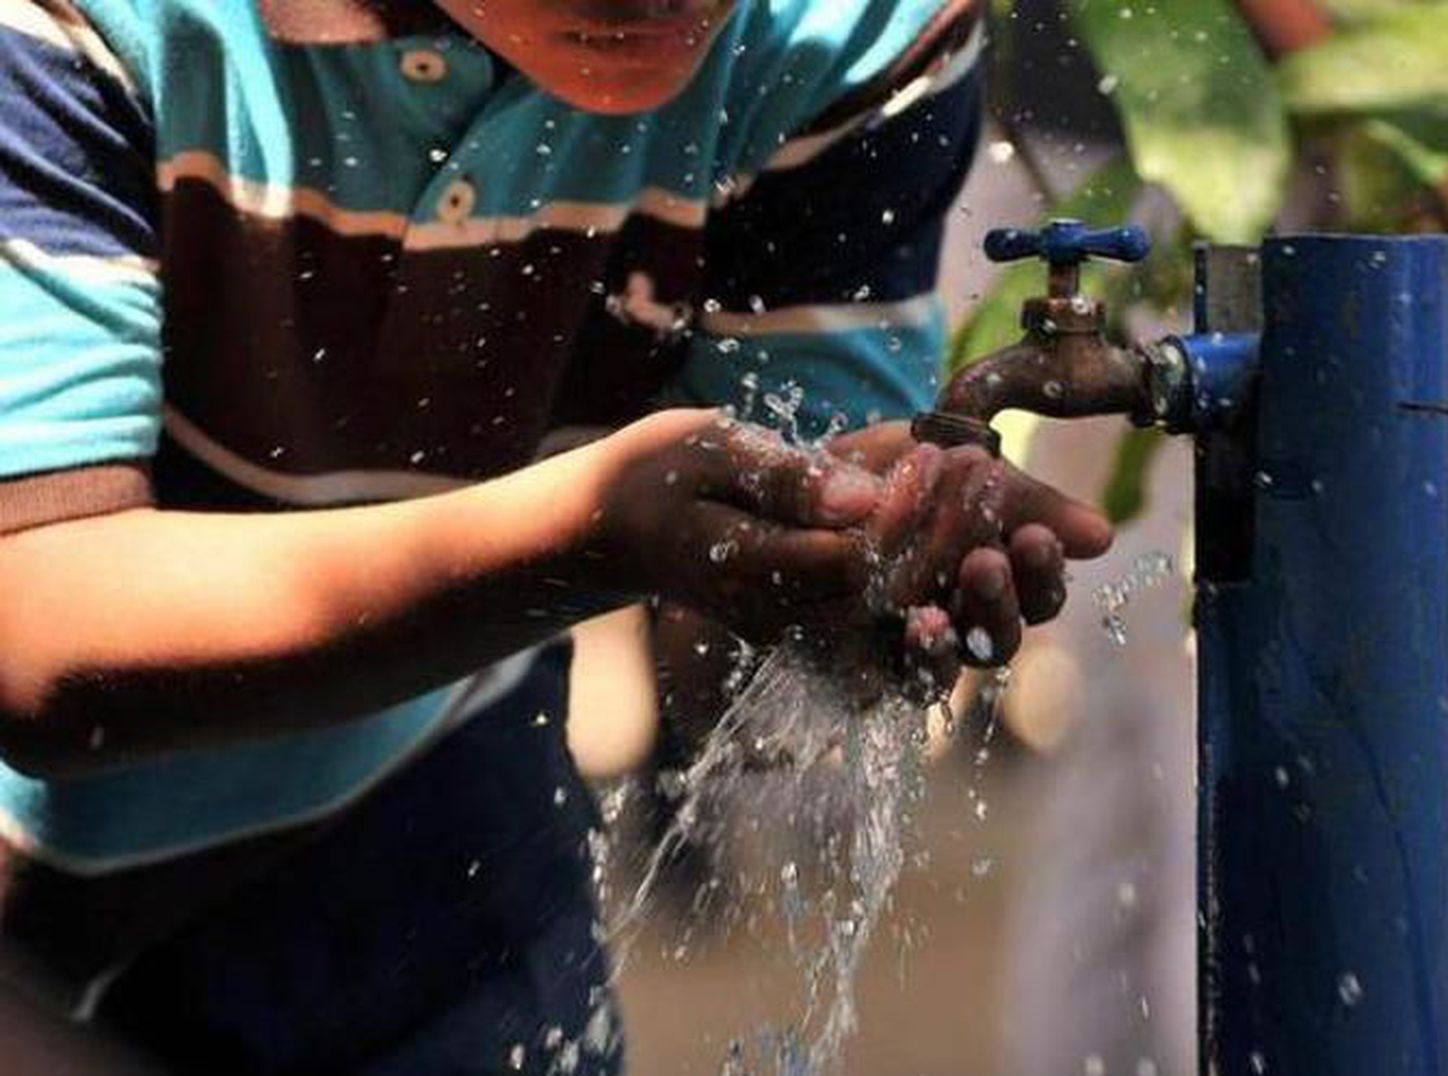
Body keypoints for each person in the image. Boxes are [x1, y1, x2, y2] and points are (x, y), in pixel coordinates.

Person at [0, 0, 1113, 1071]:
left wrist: (850, 565)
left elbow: (730, 673)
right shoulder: (86, 24)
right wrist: (591, 535)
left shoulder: (838, 28)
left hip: (428, 825)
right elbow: (34, 624)